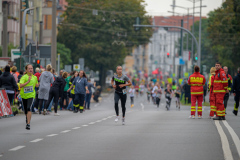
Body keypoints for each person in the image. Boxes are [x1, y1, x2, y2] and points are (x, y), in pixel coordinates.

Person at [19, 64, 39, 130]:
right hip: (24, 95)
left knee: (28, 108)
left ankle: (28, 124)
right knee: (25, 110)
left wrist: (39, 83)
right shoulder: (24, 77)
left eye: (31, 68)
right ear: (26, 70)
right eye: (29, 68)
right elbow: (21, 85)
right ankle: (27, 118)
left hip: (31, 95)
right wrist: (27, 82)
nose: (31, 70)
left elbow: (36, 85)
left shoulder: (35, 77)